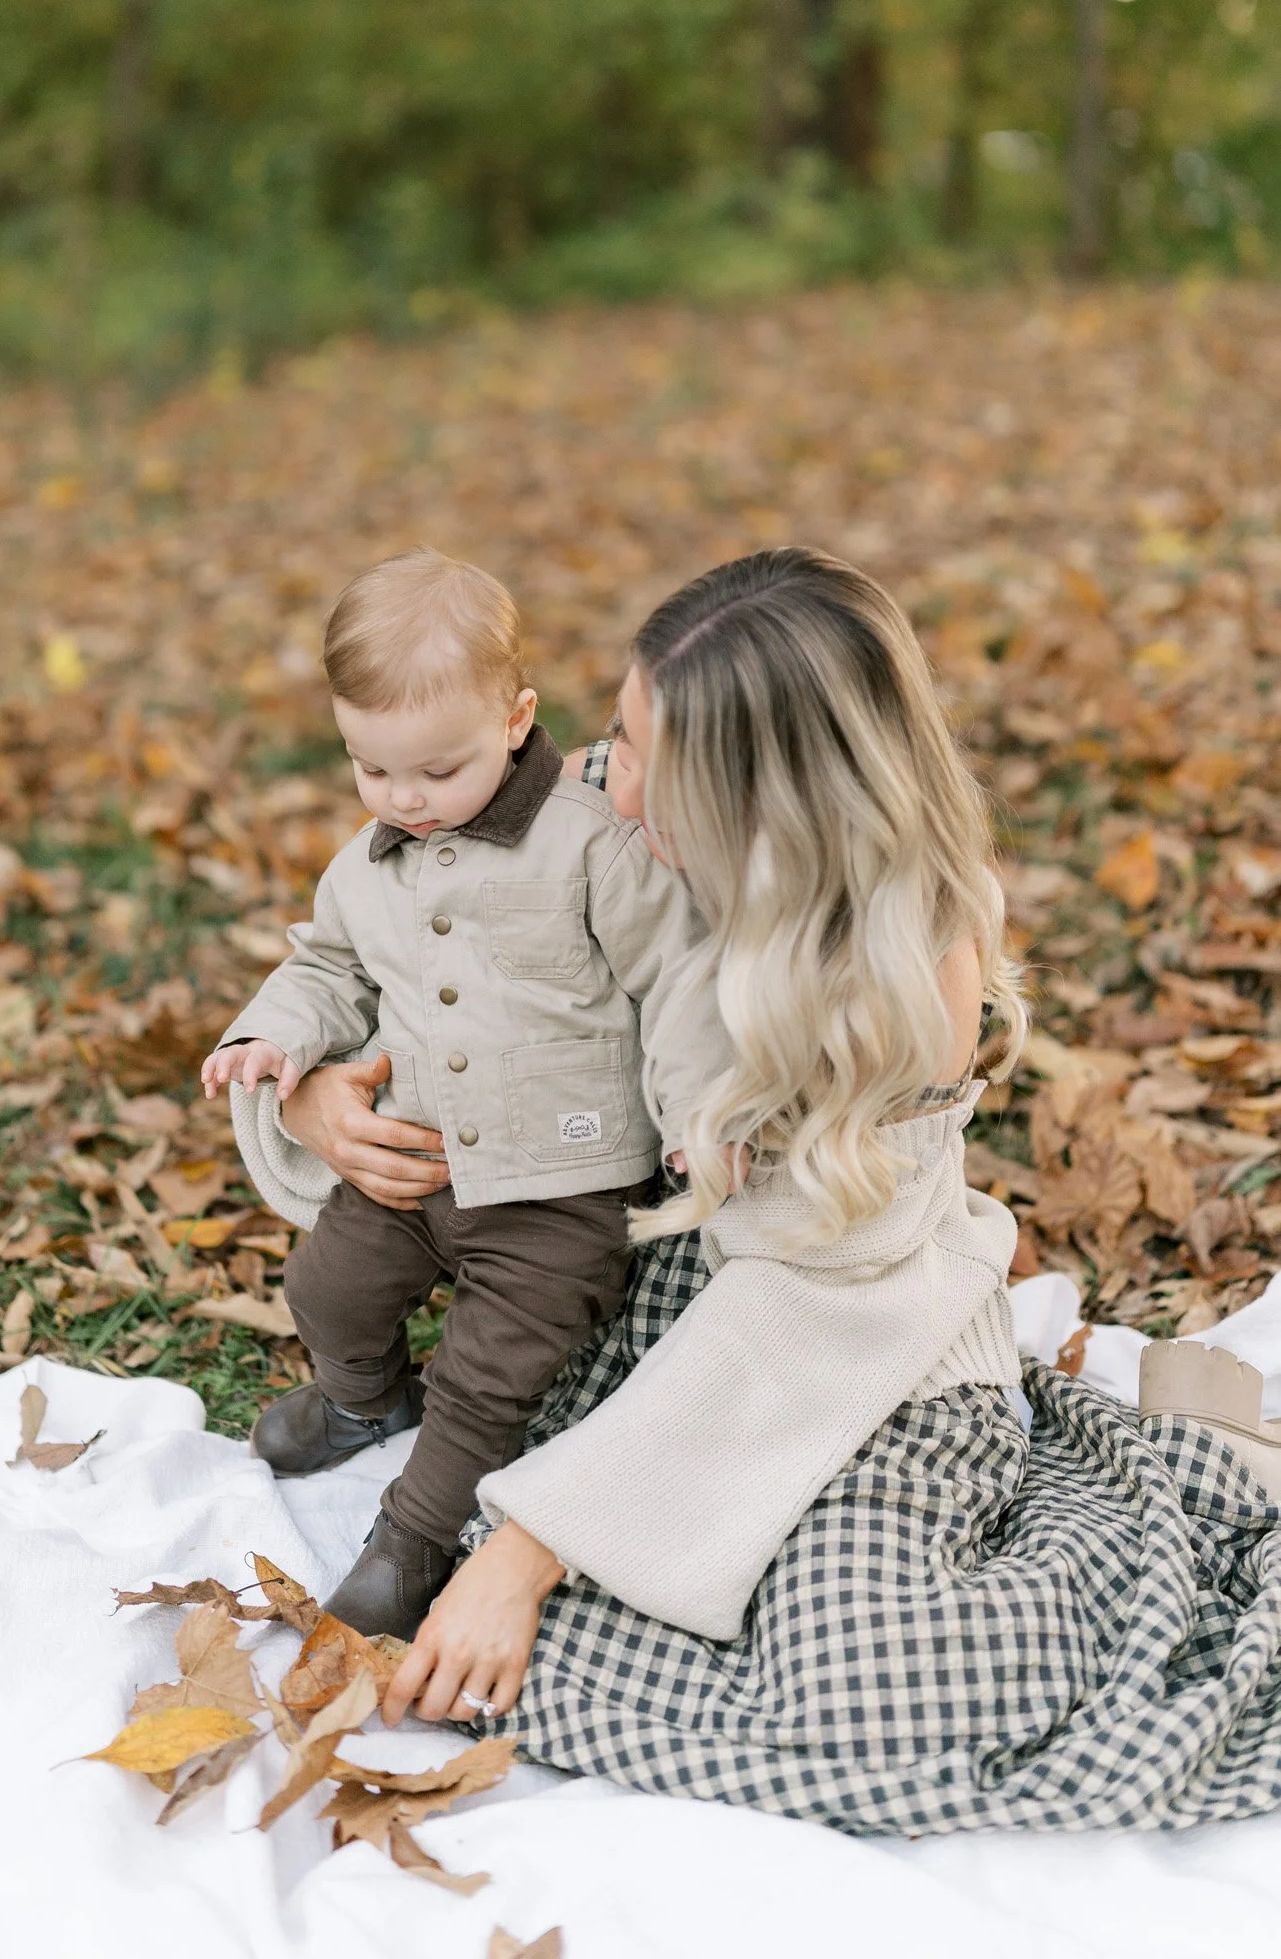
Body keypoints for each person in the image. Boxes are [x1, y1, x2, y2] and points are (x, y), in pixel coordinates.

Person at [235, 548, 1281, 1833]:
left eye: (645, 763)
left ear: (768, 806)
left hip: (845, 1326)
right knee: (535, 1572)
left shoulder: (905, 971)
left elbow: (814, 1300)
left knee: (872, 1684)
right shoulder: (597, 809)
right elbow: (407, 958)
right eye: (614, 730)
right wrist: (318, 1095)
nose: (597, 779)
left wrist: (534, 1543)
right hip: (648, 1269)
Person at [205, 547, 729, 1639]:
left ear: (515, 717)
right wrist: (272, 1033)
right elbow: (327, 966)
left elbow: (677, 973)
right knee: (327, 1286)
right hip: (414, 1163)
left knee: (486, 1379)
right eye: (371, 767)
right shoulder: (369, 859)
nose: (405, 798)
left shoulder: (592, 847)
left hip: (559, 1189)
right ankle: (361, 1395)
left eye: (437, 770)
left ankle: (410, 1540)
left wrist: (693, 1110)